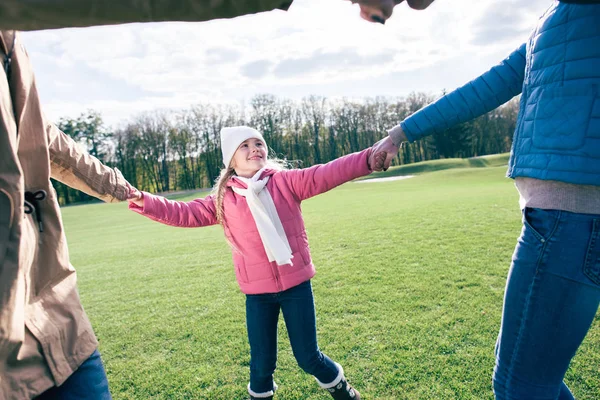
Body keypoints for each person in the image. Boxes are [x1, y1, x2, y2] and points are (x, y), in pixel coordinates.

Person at [370, 1, 600, 399]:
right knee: (525, 376)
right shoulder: (552, 21)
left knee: (518, 384)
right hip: (557, 219)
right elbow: (486, 87)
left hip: (573, 218)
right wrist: (400, 133)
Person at [128, 126, 387, 399]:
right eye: (245, 146)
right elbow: (183, 212)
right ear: (232, 160)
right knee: (261, 365)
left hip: (296, 286)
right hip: (258, 294)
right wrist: (143, 200)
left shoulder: (285, 182)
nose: (255, 149)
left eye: (258, 143)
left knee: (308, 357)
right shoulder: (223, 199)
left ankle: (340, 388)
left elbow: (325, 173)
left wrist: (368, 158)